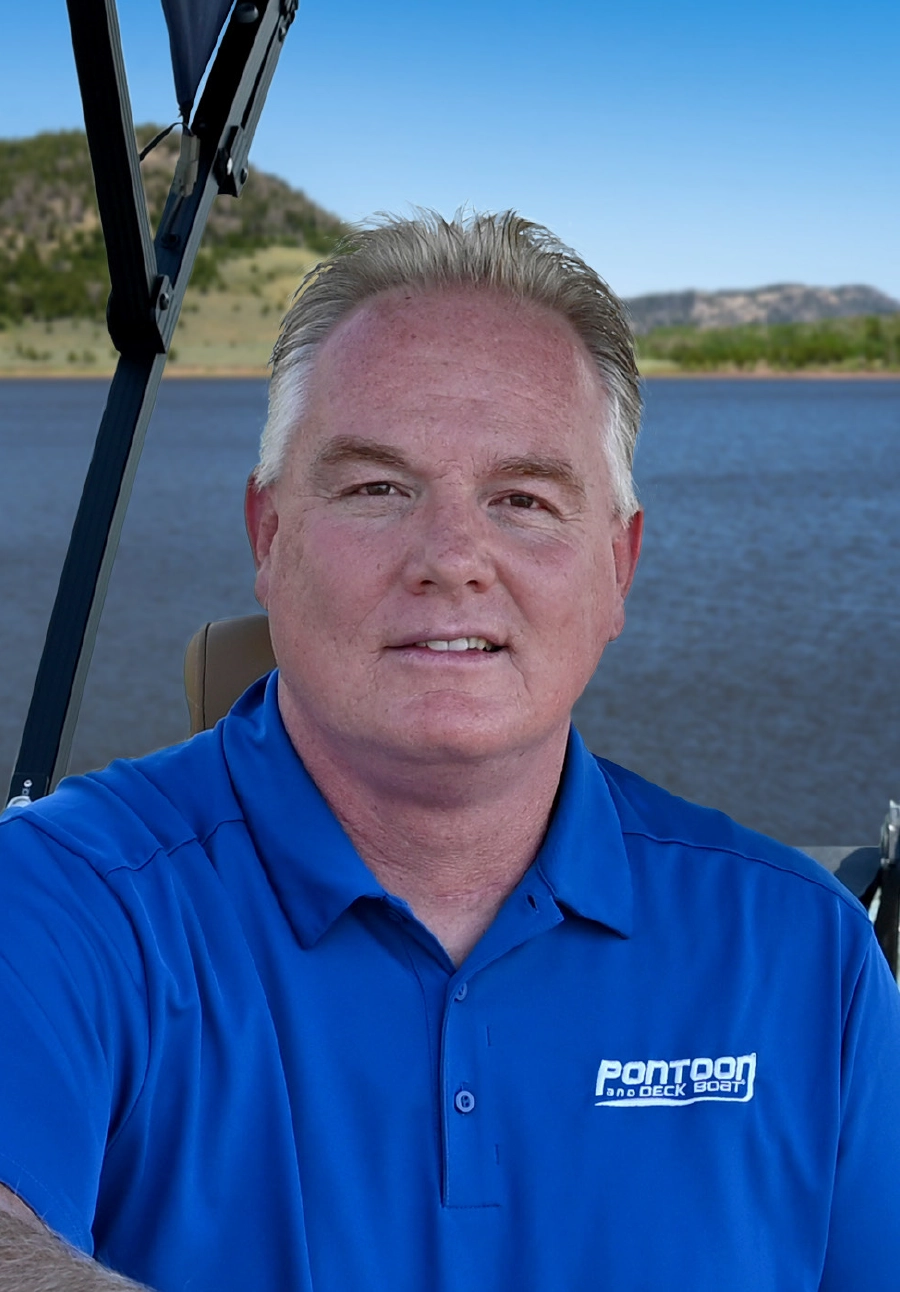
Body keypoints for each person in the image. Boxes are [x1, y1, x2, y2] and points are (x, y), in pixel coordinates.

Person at [0, 210, 898, 1292]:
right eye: (378, 488)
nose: (453, 558)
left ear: (618, 568)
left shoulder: (808, 956)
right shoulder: (59, 900)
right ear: (269, 536)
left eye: (523, 499)